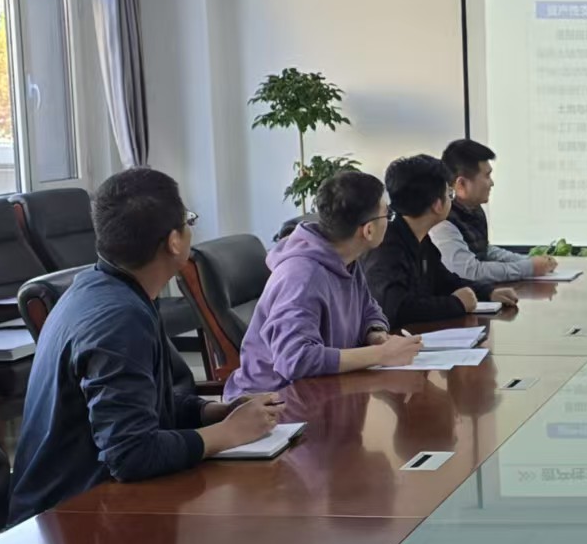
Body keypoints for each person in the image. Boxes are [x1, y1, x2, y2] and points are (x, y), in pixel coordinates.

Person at [9, 168, 284, 520]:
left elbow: (141, 404)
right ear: (174, 242)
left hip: (98, 505)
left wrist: (213, 412)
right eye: (188, 221)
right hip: (67, 522)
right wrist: (229, 433)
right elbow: (130, 453)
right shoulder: (119, 318)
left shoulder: (105, 287)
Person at [226, 170, 423, 400]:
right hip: (275, 403)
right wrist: (380, 354)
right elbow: (295, 360)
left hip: (323, 391)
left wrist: (375, 333)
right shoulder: (302, 276)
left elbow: (369, 309)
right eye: (386, 215)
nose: (389, 221)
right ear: (368, 230)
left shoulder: (347, 258)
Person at [366, 154, 520, 330]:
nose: (452, 200)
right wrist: (456, 304)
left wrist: (488, 292)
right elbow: (394, 310)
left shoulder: (420, 238)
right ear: (437, 205)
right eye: (449, 194)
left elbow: (444, 281)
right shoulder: (386, 246)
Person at [432, 138, 556, 284]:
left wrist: (529, 260)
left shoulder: (473, 209)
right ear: (462, 184)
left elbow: (483, 251)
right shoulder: (441, 221)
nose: (492, 183)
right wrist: (528, 267)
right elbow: (471, 272)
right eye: (487, 175)